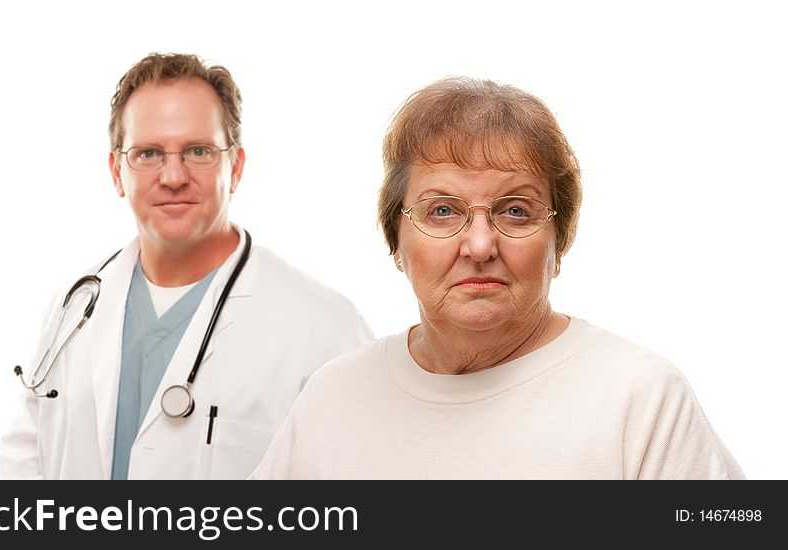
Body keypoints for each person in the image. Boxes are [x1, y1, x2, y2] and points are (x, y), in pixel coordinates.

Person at [251, 77, 744, 479]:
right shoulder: (333, 397)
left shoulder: (638, 399)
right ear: (397, 240)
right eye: (442, 211)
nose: (481, 246)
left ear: (560, 241)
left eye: (515, 211)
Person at [0, 53, 373, 479]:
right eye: (148, 153)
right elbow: (24, 456)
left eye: (198, 151)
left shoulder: (327, 331)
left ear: (236, 168)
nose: (173, 176)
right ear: (117, 172)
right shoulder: (72, 309)